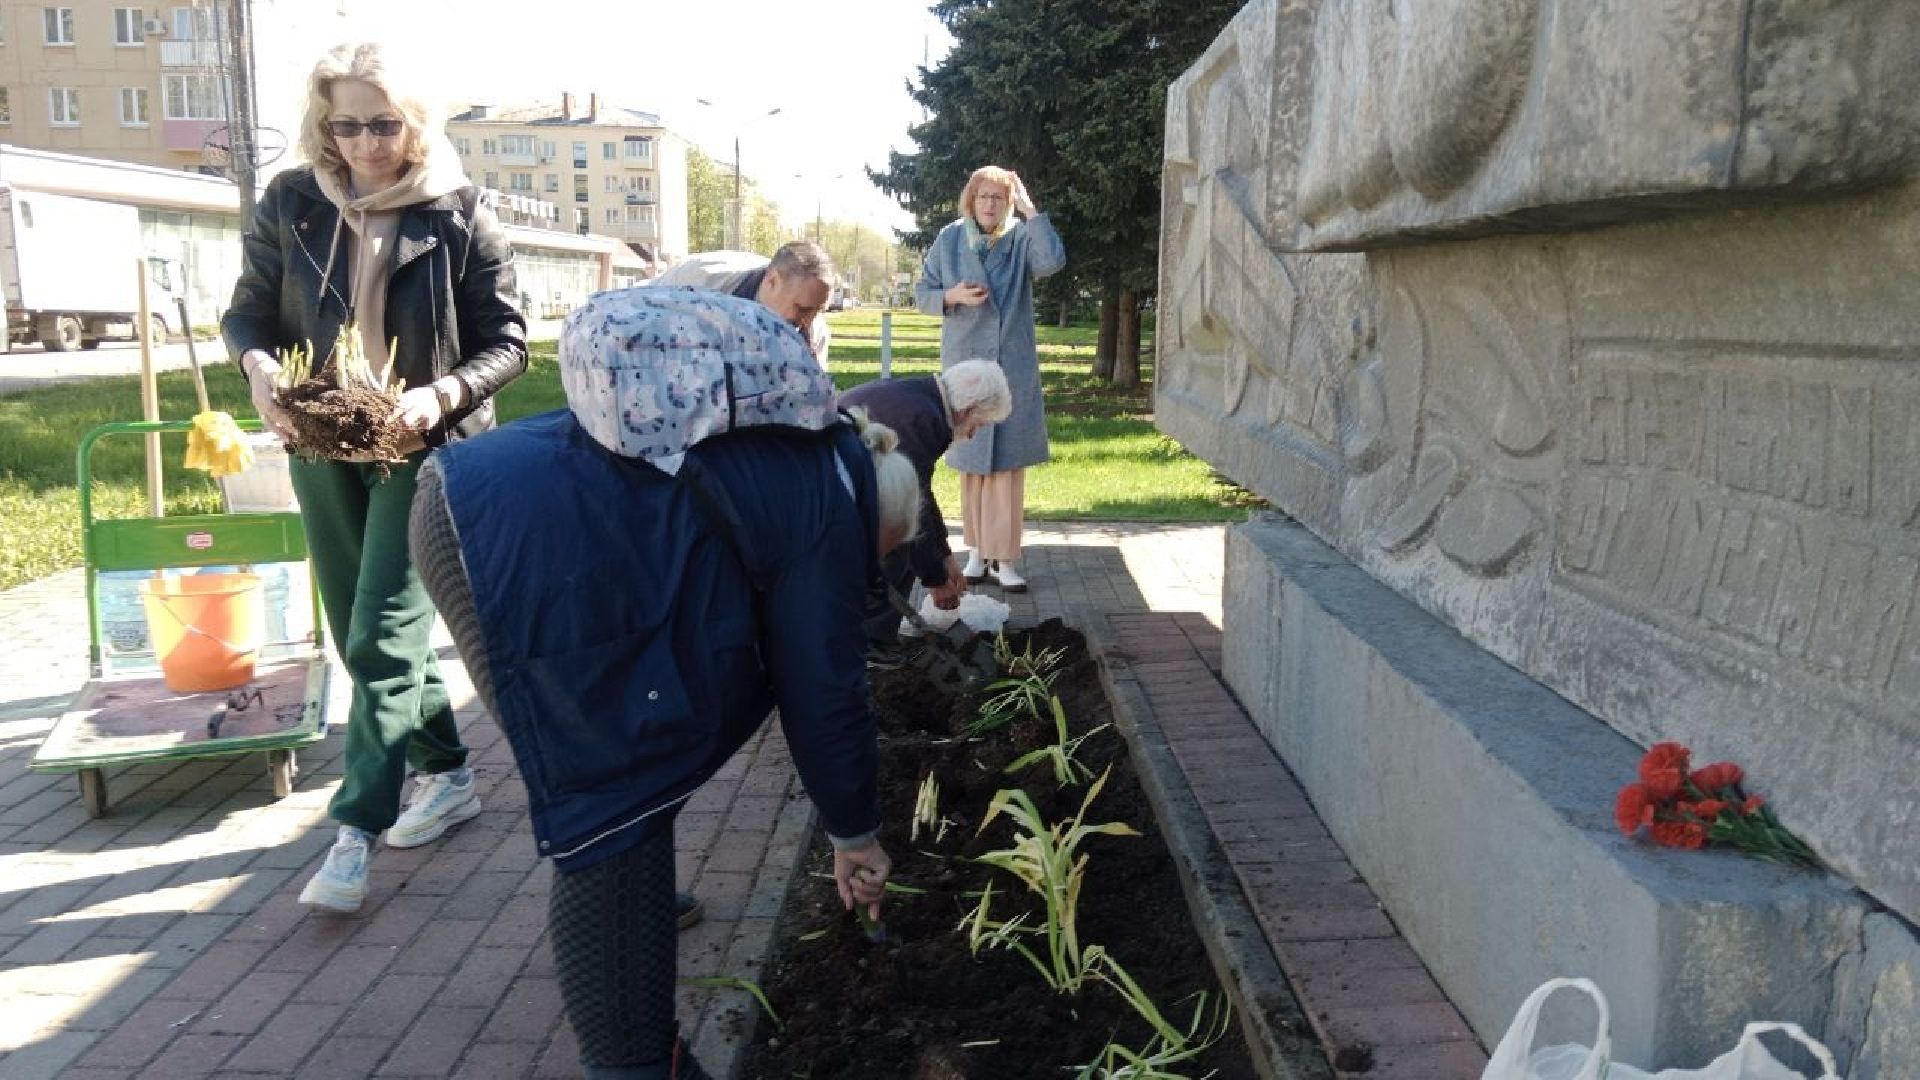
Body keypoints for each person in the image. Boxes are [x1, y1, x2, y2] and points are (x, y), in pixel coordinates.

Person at [409, 289, 911, 1080]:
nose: (865, 577)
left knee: (632, 774)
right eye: (876, 559)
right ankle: (638, 1064)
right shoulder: (828, 500)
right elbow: (824, 686)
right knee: (612, 795)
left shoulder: (810, 449)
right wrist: (854, 831)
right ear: (878, 518)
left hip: (480, 499)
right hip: (509, 545)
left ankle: (638, 965)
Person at [223, 41, 527, 914]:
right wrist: (255, 367)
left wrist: (441, 396)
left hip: (422, 447)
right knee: (361, 626)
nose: (363, 143)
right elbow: (247, 307)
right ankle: (449, 771)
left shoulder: (460, 212)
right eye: (345, 124)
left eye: (382, 124)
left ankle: (354, 833)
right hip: (321, 438)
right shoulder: (291, 202)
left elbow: (508, 344)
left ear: (415, 123)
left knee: (383, 634)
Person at [915, 165, 1066, 592]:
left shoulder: (1021, 238)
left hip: (1010, 364)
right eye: (983, 196)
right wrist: (952, 296)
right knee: (973, 465)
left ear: (1009, 203)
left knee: (1007, 468)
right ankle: (978, 553)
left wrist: (1031, 210)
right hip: (965, 367)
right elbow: (922, 293)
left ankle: (1007, 560)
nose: (989, 204)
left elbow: (1052, 261)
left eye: (999, 198)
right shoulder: (949, 238)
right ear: (970, 199)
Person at [838, 359, 1012, 645]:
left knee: (910, 548)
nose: (972, 434)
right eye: (978, 424)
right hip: (840, 492)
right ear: (968, 410)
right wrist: (935, 580)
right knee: (897, 548)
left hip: (846, 483)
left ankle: (875, 640)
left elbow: (922, 496)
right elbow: (909, 508)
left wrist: (943, 556)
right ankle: (870, 648)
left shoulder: (922, 398)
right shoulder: (922, 419)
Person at [647, 240, 835, 365]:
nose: (808, 322)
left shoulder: (815, 333)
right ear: (772, 281)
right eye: (802, 309)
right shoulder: (698, 280)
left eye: (818, 310)